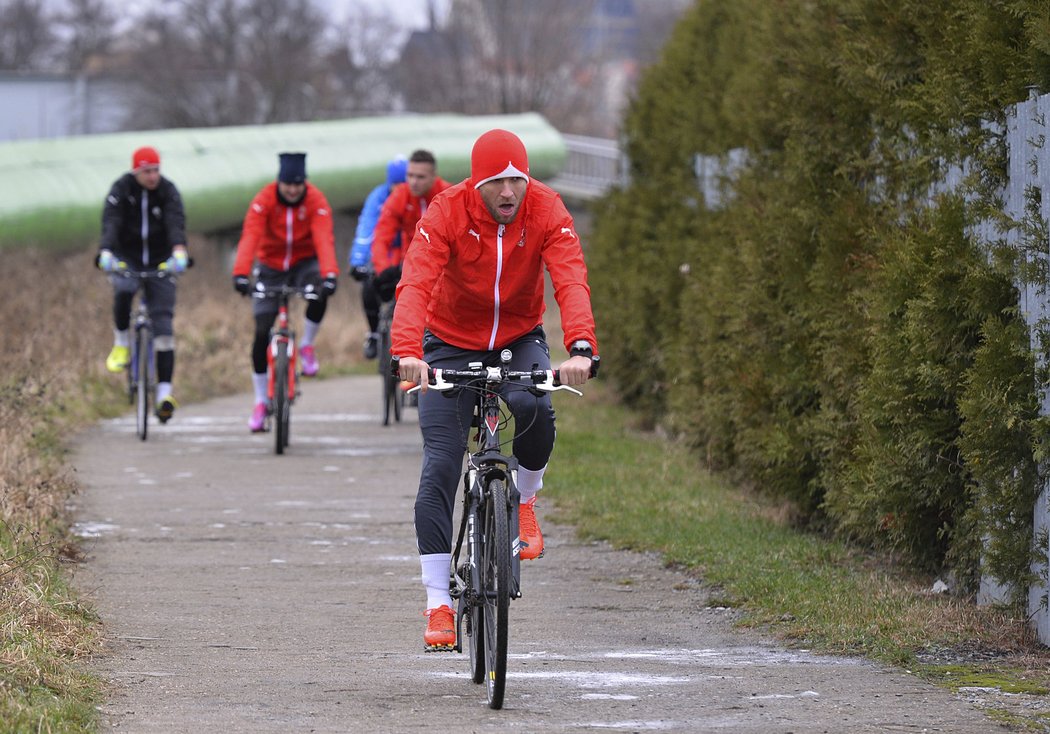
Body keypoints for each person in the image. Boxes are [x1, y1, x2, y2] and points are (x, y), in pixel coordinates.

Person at [391, 129, 599, 650]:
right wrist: (407, 353)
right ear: (477, 183)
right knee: (440, 464)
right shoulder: (445, 212)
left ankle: (525, 501)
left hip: (518, 337)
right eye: (497, 182)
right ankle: (439, 600)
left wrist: (579, 348)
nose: (509, 192)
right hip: (448, 343)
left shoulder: (547, 210)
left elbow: (570, 280)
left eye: (517, 181)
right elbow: (415, 281)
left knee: (535, 408)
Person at [232, 151, 339, 432]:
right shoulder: (264, 200)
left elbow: (324, 239)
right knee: (261, 331)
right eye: (287, 184)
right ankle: (260, 400)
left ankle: (306, 346)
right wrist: (241, 273)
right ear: (279, 182)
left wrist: (329, 274)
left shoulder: (316, 201)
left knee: (320, 292)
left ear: (305, 182)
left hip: (305, 263)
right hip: (270, 265)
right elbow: (250, 237)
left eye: (298, 184)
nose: (292, 190)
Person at [97, 145, 189, 423]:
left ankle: (164, 394)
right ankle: (122, 343)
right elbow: (111, 221)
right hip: (129, 259)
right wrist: (106, 252)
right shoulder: (121, 189)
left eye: (156, 170)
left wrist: (179, 251)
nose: (153, 176)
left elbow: (176, 221)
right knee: (124, 291)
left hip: (161, 260)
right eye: (147, 171)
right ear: (136, 171)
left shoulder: (168, 191)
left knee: (163, 328)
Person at [370, 149, 450, 303]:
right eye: (410, 175)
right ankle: (375, 328)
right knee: (371, 289)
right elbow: (381, 235)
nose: (413, 181)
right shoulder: (400, 195)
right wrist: (383, 269)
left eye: (420, 177)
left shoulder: (448, 194)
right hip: (410, 264)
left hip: (445, 267)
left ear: (434, 176)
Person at [348, 156, 407, 359]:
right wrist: (358, 261)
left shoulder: (415, 198)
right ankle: (373, 333)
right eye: (395, 187)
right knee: (368, 286)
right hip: (384, 251)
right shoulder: (378, 197)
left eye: (403, 186)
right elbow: (366, 229)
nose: (399, 192)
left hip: (408, 252)